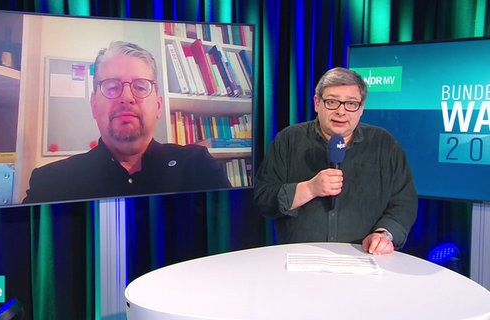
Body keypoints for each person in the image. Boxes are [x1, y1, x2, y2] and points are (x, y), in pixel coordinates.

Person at [23, 41, 231, 204]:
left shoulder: (198, 166)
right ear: (94, 105)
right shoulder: (50, 183)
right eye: (112, 87)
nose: (126, 97)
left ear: (158, 106)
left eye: (140, 87)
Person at [254, 67, 417, 255]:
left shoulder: (384, 144)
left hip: (364, 257)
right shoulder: (288, 140)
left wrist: (384, 233)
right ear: (317, 103)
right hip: (300, 258)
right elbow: (264, 199)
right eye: (332, 102)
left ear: (361, 108)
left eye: (351, 104)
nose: (341, 111)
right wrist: (309, 188)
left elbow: (404, 201)